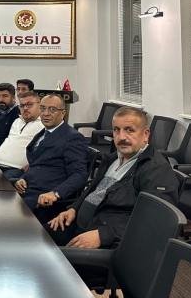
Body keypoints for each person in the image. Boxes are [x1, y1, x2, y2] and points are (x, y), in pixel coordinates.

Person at [46, 107, 179, 249]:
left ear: (145, 134)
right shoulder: (113, 158)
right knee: (34, 237)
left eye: (129, 130)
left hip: (108, 243)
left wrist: (103, 235)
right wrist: (73, 209)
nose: (121, 137)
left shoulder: (156, 170)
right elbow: (92, 191)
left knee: (39, 254)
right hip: (77, 226)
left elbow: (156, 221)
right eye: (116, 130)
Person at [14, 94, 88, 219]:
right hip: (27, 189)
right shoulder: (43, 133)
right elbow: (37, 163)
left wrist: (56, 193)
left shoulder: (73, 138)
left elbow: (80, 175)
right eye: (43, 108)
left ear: (62, 113)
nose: (46, 113)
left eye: (52, 109)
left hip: (43, 198)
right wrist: (23, 178)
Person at [0, 91, 44, 182]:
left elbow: (48, 150)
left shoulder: (44, 125)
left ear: (40, 105)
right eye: (22, 106)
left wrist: (34, 163)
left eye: (29, 104)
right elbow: (10, 140)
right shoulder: (17, 121)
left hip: (16, 168)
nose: (25, 108)